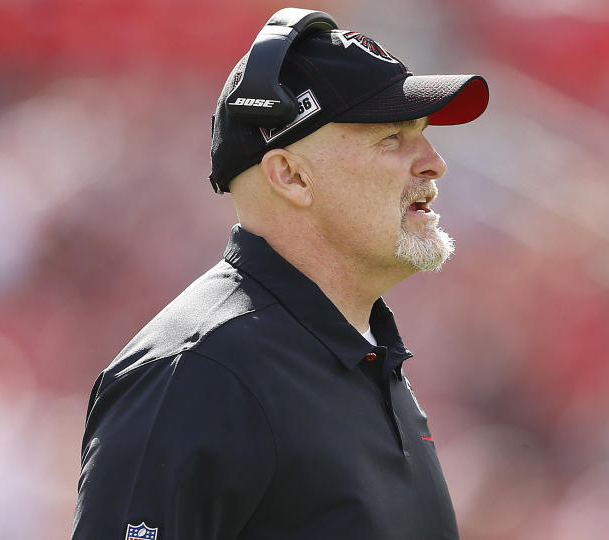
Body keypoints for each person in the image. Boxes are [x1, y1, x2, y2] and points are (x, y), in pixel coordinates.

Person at [71, 8, 488, 540]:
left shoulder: (361, 358)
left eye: (421, 133)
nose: (434, 162)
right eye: (390, 137)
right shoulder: (199, 374)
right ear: (290, 175)